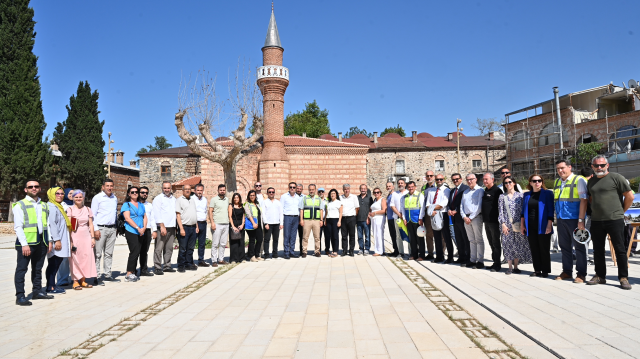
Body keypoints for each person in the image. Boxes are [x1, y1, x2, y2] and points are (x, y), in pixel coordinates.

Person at [586, 155, 634, 290]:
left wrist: (620, 211)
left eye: (602, 165)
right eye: (596, 165)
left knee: (620, 249)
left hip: (615, 220)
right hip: (596, 220)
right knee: (598, 250)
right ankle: (600, 276)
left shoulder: (616, 178)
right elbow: (590, 199)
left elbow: (629, 196)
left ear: (607, 165)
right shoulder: (591, 181)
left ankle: (623, 278)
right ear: (592, 167)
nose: (599, 168)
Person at [13, 179, 53, 305]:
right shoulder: (20, 205)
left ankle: (37, 291)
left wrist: (49, 240)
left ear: (40, 189)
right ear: (26, 189)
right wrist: (24, 244)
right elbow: (18, 227)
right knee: (21, 269)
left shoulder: (44, 205)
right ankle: (20, 296)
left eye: (36, 186)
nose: (34, 188)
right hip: (26, 243)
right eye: (31, 187)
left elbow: (48, 225)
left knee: (37, 269)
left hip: (41, 242)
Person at [553, 159, 588, 283]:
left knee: (579, 247)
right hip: (562, 219)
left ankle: (581, 274)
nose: (560, 171)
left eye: (562, 168)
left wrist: (581, 220)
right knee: (564, 247)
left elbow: (584, 200)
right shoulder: (557, 182)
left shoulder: (579, 180)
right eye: (558, 169)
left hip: (575, 219)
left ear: (570, 167)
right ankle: (567, 271)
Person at [522, 174, 554, 278]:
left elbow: (550, 210)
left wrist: (549, 225)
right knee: (534, 248)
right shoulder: (526, 195)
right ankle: (537, 270)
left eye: (539, 181)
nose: (537, 183)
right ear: (530, 183)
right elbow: (523, 212)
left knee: (544, 248)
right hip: (530, 225)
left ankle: (545, 270)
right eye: (534, 181)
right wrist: (523, 225)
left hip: (543, 225)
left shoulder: (548, 193)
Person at [498, 178, 531, 275]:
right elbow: (500, 212)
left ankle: (516, 266)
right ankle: (509, 267)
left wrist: (523, 224)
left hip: (518, 224)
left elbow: (524, 211)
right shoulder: (502, 196)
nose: (508, 184)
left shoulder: (521, 196)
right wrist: (503, 224)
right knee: (507, 245)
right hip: (507, 225)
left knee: (517, 245)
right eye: (505, 183)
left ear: (514, 183)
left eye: (509, 182)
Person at [91, 179, 119, 285]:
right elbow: (93, 215)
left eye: (111, 186)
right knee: (98, 254)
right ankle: (96, 276)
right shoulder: (97, 198)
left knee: (109, 253)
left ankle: (108, 274)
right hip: (100, 228)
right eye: (107, 186)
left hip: (112, 228)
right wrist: (96, 229)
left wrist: (115, 227)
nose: (109, 188)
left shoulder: (114, 198)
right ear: (103, 187)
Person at [67, 190, 98, 290]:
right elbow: (69, 226)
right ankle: (75, 281)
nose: (78, 199)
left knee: (86, 258)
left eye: (80, 197)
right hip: (75, 235)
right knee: (75, 258)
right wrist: (70, 240)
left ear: (83, 198)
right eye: (76, 197)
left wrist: (92, 238)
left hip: (86, 236)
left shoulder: (88, 209)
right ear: (72, 198)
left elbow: (91, 224)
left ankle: (83, 280)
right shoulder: (70, 210)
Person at [45, 187, 70, 294]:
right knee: (53, 264)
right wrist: (57, 240)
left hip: (61, 238)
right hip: (57, 240)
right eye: (57, 193)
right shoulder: (51, 206)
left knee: (56, 263)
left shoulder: (58, 206)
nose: (60, 195)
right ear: (51, 195)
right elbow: (52, 225)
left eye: (61, 193)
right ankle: (50, 286)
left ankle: (52, 285)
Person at [420, 174, 451, 263]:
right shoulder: (430, 190)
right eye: (437, 179)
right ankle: (438, 256)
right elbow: (427, 203)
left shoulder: (446, 190)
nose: (439, 181)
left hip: (442, 214)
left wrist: (432, 208)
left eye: (441, 179)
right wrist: (431, 210)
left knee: (445, 236)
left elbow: (443, 204)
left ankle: (449, 256)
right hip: (433, 214)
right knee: (435, 236)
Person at [121, 186, 147, 282]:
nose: (135, 193)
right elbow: (127, 218)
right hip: (131, 230)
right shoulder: (126, 205)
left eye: (136, 192)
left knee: (138, 251)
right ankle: (129, 273)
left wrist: (144, 228)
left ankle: (133, 272)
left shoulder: (141, 204)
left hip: (141, 231)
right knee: (134, 251)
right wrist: (137, 228)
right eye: (132, 192)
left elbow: (145, 217)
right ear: (129, 194)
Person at [460, 174, 485, 269]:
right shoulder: (465, 192)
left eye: (471, 179)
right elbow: (461, 205)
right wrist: (464, 216)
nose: (469, 181)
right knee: (471, 240)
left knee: (478, 239)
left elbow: (479, 206)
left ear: (476, 179)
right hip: (466, 218)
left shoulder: (480, 190)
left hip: (476, 217)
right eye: (468, 180)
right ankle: (472, 260)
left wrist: (471, 217)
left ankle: (480, 261)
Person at [152, 181, 177, 275]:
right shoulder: (158, 199)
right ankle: (157, 267)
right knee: (159, 248)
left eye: (168, 188)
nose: (167, 190)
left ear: (171, 189)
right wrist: (161, 225)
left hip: (172, 227)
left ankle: (167, 266)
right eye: (165, 188)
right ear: (162, 188)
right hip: (162, 227)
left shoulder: (174, 199)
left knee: (169, 248)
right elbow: (156, 213)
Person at [482, 173, 504, 272]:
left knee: (496, 243)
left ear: (492, 179)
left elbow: (500, 207)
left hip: (494, 222)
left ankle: (498, 264)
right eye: (483, 179)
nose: (485, 181)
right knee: (491, 243)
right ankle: (494, 261)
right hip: (486, 221)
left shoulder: (497, 191)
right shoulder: (486, 190)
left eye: (486, 179)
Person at [400, 181, 425, 260]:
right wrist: (404, 218)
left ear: (415, 187)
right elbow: (403, 209)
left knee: (419, 238)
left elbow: (422, 208)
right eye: (409, 187)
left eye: (412, 187)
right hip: (409, 220)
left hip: (417, 219)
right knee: (412, 238)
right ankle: (414, 254)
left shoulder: (419, 195)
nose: (411, 188)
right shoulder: (405, 197)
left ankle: (421, 255)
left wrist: (421, 218)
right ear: (407, 188)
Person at [448, 173, 470, 266]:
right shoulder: (452, 190)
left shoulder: (465, 189)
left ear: (461, 179)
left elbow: (463, 202)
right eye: (453, 180)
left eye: (457, 179)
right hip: (454, 218)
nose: (455, 181)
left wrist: (456, 210)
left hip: (462, 216)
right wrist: (449, 209)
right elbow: (450, 202)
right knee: (458, 238)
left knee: (465, 238)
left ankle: (467, 257)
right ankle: (461, 257)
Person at [176, 184, 197, 272]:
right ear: (183, 190)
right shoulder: (179, 200)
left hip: (193, 227)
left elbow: (194, 214)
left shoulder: (192, 200)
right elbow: (178, 215)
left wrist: (197, 226)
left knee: (190, 248)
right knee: (183, 248)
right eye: (186, 189)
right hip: (185, 227)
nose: (188, 191)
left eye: (189, 189)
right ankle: (181, 265)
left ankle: (188, 263)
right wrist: (181, 228)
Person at [56, 188, 74, 288]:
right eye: (70, 193)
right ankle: (62, 279)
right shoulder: (62, 205)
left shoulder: (77, 205)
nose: (72, 195)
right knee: (64, 259)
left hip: (75, 233)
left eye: (73, 193)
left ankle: (75, 277)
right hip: (64, 234)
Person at [300, 184, 324, 257]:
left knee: (317, 237)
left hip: (316, 221)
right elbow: (301, 210)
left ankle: (317, 251)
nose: (311, 191)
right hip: (307, 221)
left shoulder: (319, 198)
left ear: (315, 190)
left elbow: (321, 210)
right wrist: (301, 220)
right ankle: (304, 251)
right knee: (305, 237)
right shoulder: (304, 198)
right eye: (310, 189)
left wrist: (321, 220)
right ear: (308, 190)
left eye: (313, 189)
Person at [208, 184, 229, 266]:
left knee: (223, 243)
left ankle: (221, 259)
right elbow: (210, 211)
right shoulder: (214, 200)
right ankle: (213, 260)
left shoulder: (227, 199)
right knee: (215, 243)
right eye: (221, 190)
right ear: (218, 190)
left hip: (226, 224)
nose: (222, 191)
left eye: (223, 190)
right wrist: (212, 223)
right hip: (217, 224)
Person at [282, 182, 303, 259]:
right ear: (288, 187)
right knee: (287, 235)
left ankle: (292, 252)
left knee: (293, 236)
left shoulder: (298, 197)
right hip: (287, 217)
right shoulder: (284, 197)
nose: (292, 189)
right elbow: (281, 209)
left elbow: (300, 209)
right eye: (291, 187)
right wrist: (282, 221)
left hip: (296, 217)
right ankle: (286, 252)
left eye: (294, 187)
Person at [138, 187, 156, 276]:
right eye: (143, 192)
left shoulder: (149, 205)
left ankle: (143, 270)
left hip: (147, 230)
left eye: (146, 193)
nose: (145, 194)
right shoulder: (135, 204)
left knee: (144, 251)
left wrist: (154, 230)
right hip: (137, 230)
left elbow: (152, 218)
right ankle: (132, 270)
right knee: (136, 251)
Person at [262, 187, 283, 260]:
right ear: (267, 193)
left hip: (276, 223)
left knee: (275, 239)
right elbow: (263, 213)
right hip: (269, 223)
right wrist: (266, 223)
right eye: (270, 192)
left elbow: (281, 213)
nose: (271, 193)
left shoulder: (278, 202)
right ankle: (267, 255)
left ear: (274, 193)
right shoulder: (264, 202)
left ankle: (275, 254)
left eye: (272, 192)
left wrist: (281, 223)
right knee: (267, 239)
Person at [244, 190, 264, 262]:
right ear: (249, 196)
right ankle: (251, 256)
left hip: (258, 224)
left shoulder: (257, 204)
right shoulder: (247, 204)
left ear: (255, 196)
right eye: (251, 195)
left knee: (260, 239)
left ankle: (257, 254)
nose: (252, 196)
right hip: (251, 225)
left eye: (253, 195)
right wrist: (253, 223)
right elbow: (248, 214)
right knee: (252, 240)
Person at [340, 184, 360, 256]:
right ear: (343, 189)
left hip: (352, 218)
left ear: (350, 189)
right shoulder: (340, 198)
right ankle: (344, 251)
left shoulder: (354, 197)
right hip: (343, 219)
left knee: (352, 235)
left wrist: (354, 216)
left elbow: (357, 208)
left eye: (348, 189)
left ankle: (351, 251)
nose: (346, 190)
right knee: (344, 236)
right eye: (345, 189)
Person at [193, 184, 210, 267]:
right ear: (195, 191)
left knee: (202, 243)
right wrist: (196, 225)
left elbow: (205, 210)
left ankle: (201, 260)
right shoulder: (192, 199)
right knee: (192, 243)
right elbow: (193, 213)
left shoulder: (204, 199)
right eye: (198, 190)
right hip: (195, 223)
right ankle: (190, 261)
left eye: (201, 190)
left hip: (203, 223)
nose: (199, 192)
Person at [367, 187, 386, 256]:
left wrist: (375, 213)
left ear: (380, 193)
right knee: (376, 234)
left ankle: (379, 251)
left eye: (378, 192)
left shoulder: (382, 199)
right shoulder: (375, 200)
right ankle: (381, 250)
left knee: (379, 234)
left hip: (379, 218)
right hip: (374, 219)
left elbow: (384, 210)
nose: (376, 193)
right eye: (375, 192)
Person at [325, 189, 343, 258]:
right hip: (329, 220)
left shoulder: (339, 202)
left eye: (334, 193)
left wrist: (339, 221)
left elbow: (341, 212)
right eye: (331, 193)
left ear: (336, 195)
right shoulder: (329, 203)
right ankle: (333, 250)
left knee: (335, 236)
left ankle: (336, 251)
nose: (332, 195)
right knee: (331, 236)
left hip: (335, 220)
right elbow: (327, 212)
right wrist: (325, 220)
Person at [385, 182, 402, 258]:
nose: (388, 187)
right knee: (392, 235)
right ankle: (395, 250)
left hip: (394, 217)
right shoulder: (388, 195)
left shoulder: (395, 195)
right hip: (389, 218)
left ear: (393, 187)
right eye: (387, 186)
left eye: (390, 186)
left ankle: (398, 251)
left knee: (396, 235)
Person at [228, 193, 246, 263]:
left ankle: (242, 258)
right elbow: (230, 216)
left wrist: (242, 224)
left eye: (237, 198)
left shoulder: (242, 206)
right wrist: (233, 226)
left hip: (240, 225)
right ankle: (233, 259)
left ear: (239, 198)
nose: (236, 199)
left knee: (241, 242)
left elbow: (243, 216)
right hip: (234, 225)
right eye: (235, 198)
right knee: (234, 242)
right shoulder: (231, 206)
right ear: (233, 198)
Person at [356, 184, 373, 256]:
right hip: (358, 220)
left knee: (367, 235)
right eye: (362, 188)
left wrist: (368, 218)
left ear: (366, 189)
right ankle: (360, 249)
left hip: (366, 220)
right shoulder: (357, 198)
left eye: (364, 188)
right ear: (360, 189)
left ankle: (366, 249)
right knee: (359, 236)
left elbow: (371, 209)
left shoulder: (369, 198)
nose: (363, 190)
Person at [395, 179, 409, 258]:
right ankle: (401, 252)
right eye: (399, 183)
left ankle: (411, 252)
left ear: (405, 184)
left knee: (409, 234)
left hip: (407, 217)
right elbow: (392, 206)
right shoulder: (395, 194)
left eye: (402, 183)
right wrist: (399, 214)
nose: (400, 184)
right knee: (398, 235)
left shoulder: (408, 192)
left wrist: (404, 216)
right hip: (397, 217)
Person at [253, 182, 267, 258]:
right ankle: (255, 252)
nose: (258, 187)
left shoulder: (264, 196)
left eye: (259, 185)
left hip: (263, 217)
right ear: (254, 187)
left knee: (263, 236)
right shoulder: (252, 195)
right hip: (256, 218)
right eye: (257, 186)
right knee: (256, 237)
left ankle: (261, 252)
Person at [318, 188, 330, 255]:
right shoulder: (316, 200)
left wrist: (325, 220)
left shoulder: (327, 200)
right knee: (318, 236)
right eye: (319, 192)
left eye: (322, 191)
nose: (321, 193)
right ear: (318, 193)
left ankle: (327, 249)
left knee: (327, 236)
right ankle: (318, 250)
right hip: (318, 221)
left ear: (324, 192)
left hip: (326, 221)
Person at [296, 183, 304, 252]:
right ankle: (289, 251)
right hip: (294, 218)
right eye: (297, 188)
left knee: (302, 236)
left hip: (302, 218)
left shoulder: (304, 197)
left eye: (300, 189)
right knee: (291, 236)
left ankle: (302, 251)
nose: (299, 190)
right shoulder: (292, 196)